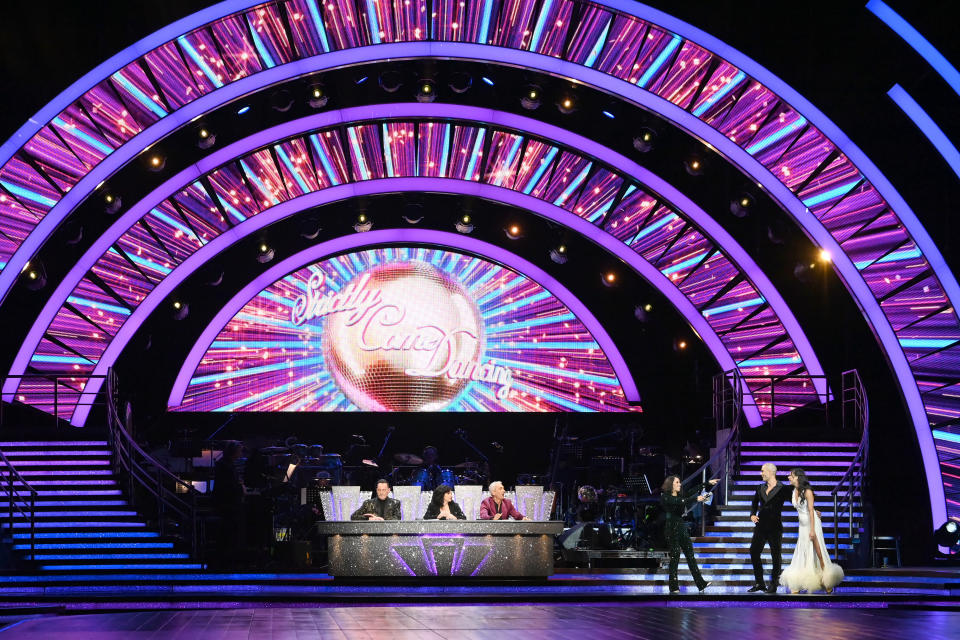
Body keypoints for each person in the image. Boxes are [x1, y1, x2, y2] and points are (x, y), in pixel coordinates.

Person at [780, 468, 844, 593]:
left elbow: (810, 510)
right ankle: (799, 582)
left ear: (797, 477)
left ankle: (827, 580)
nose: (788, 477)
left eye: (791, 475)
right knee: (803, 549)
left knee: (817, 550)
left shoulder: (807, 491)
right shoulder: (794, 491)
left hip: (812, 523)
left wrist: (813, 530)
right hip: (802, 525)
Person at [660, 475, 716, 593]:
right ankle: (673, 586)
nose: (680, 484)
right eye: (677, 482)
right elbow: (678, 501)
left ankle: (701, 583)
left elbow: (691, 491)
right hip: (671, 528)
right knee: (675, 556)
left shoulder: (681, 495)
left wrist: (706, 483)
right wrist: (696, 499)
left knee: (690, 555)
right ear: (671, 484)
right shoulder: (665, 497)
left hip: (681, 526)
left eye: (679, 482)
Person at [748, 462, 792, 594]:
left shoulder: (783, 488)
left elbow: (796, 503)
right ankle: (760, 583)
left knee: (775, 555)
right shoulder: (760, 487)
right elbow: (754, 503)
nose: (761, 474)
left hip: (775, 526)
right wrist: (752, 515)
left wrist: (812, 510)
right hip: (760, 525)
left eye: (762, 471)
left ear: (771, 472)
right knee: (754, 551)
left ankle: (774, 583)